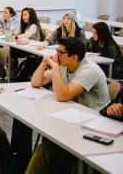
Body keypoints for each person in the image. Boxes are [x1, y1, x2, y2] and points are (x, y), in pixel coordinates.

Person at [22, 37, 110, 173]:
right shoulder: (65, 66)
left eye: (60, 52)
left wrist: (55, 68)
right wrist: (43, 64)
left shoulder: (89, 70)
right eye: (57, 50)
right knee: (32, 124)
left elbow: (63, 96)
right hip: (73, 116)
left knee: (46, 149)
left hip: (93, 124)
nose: (56, 55)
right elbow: (36, 82)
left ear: (74, 57)